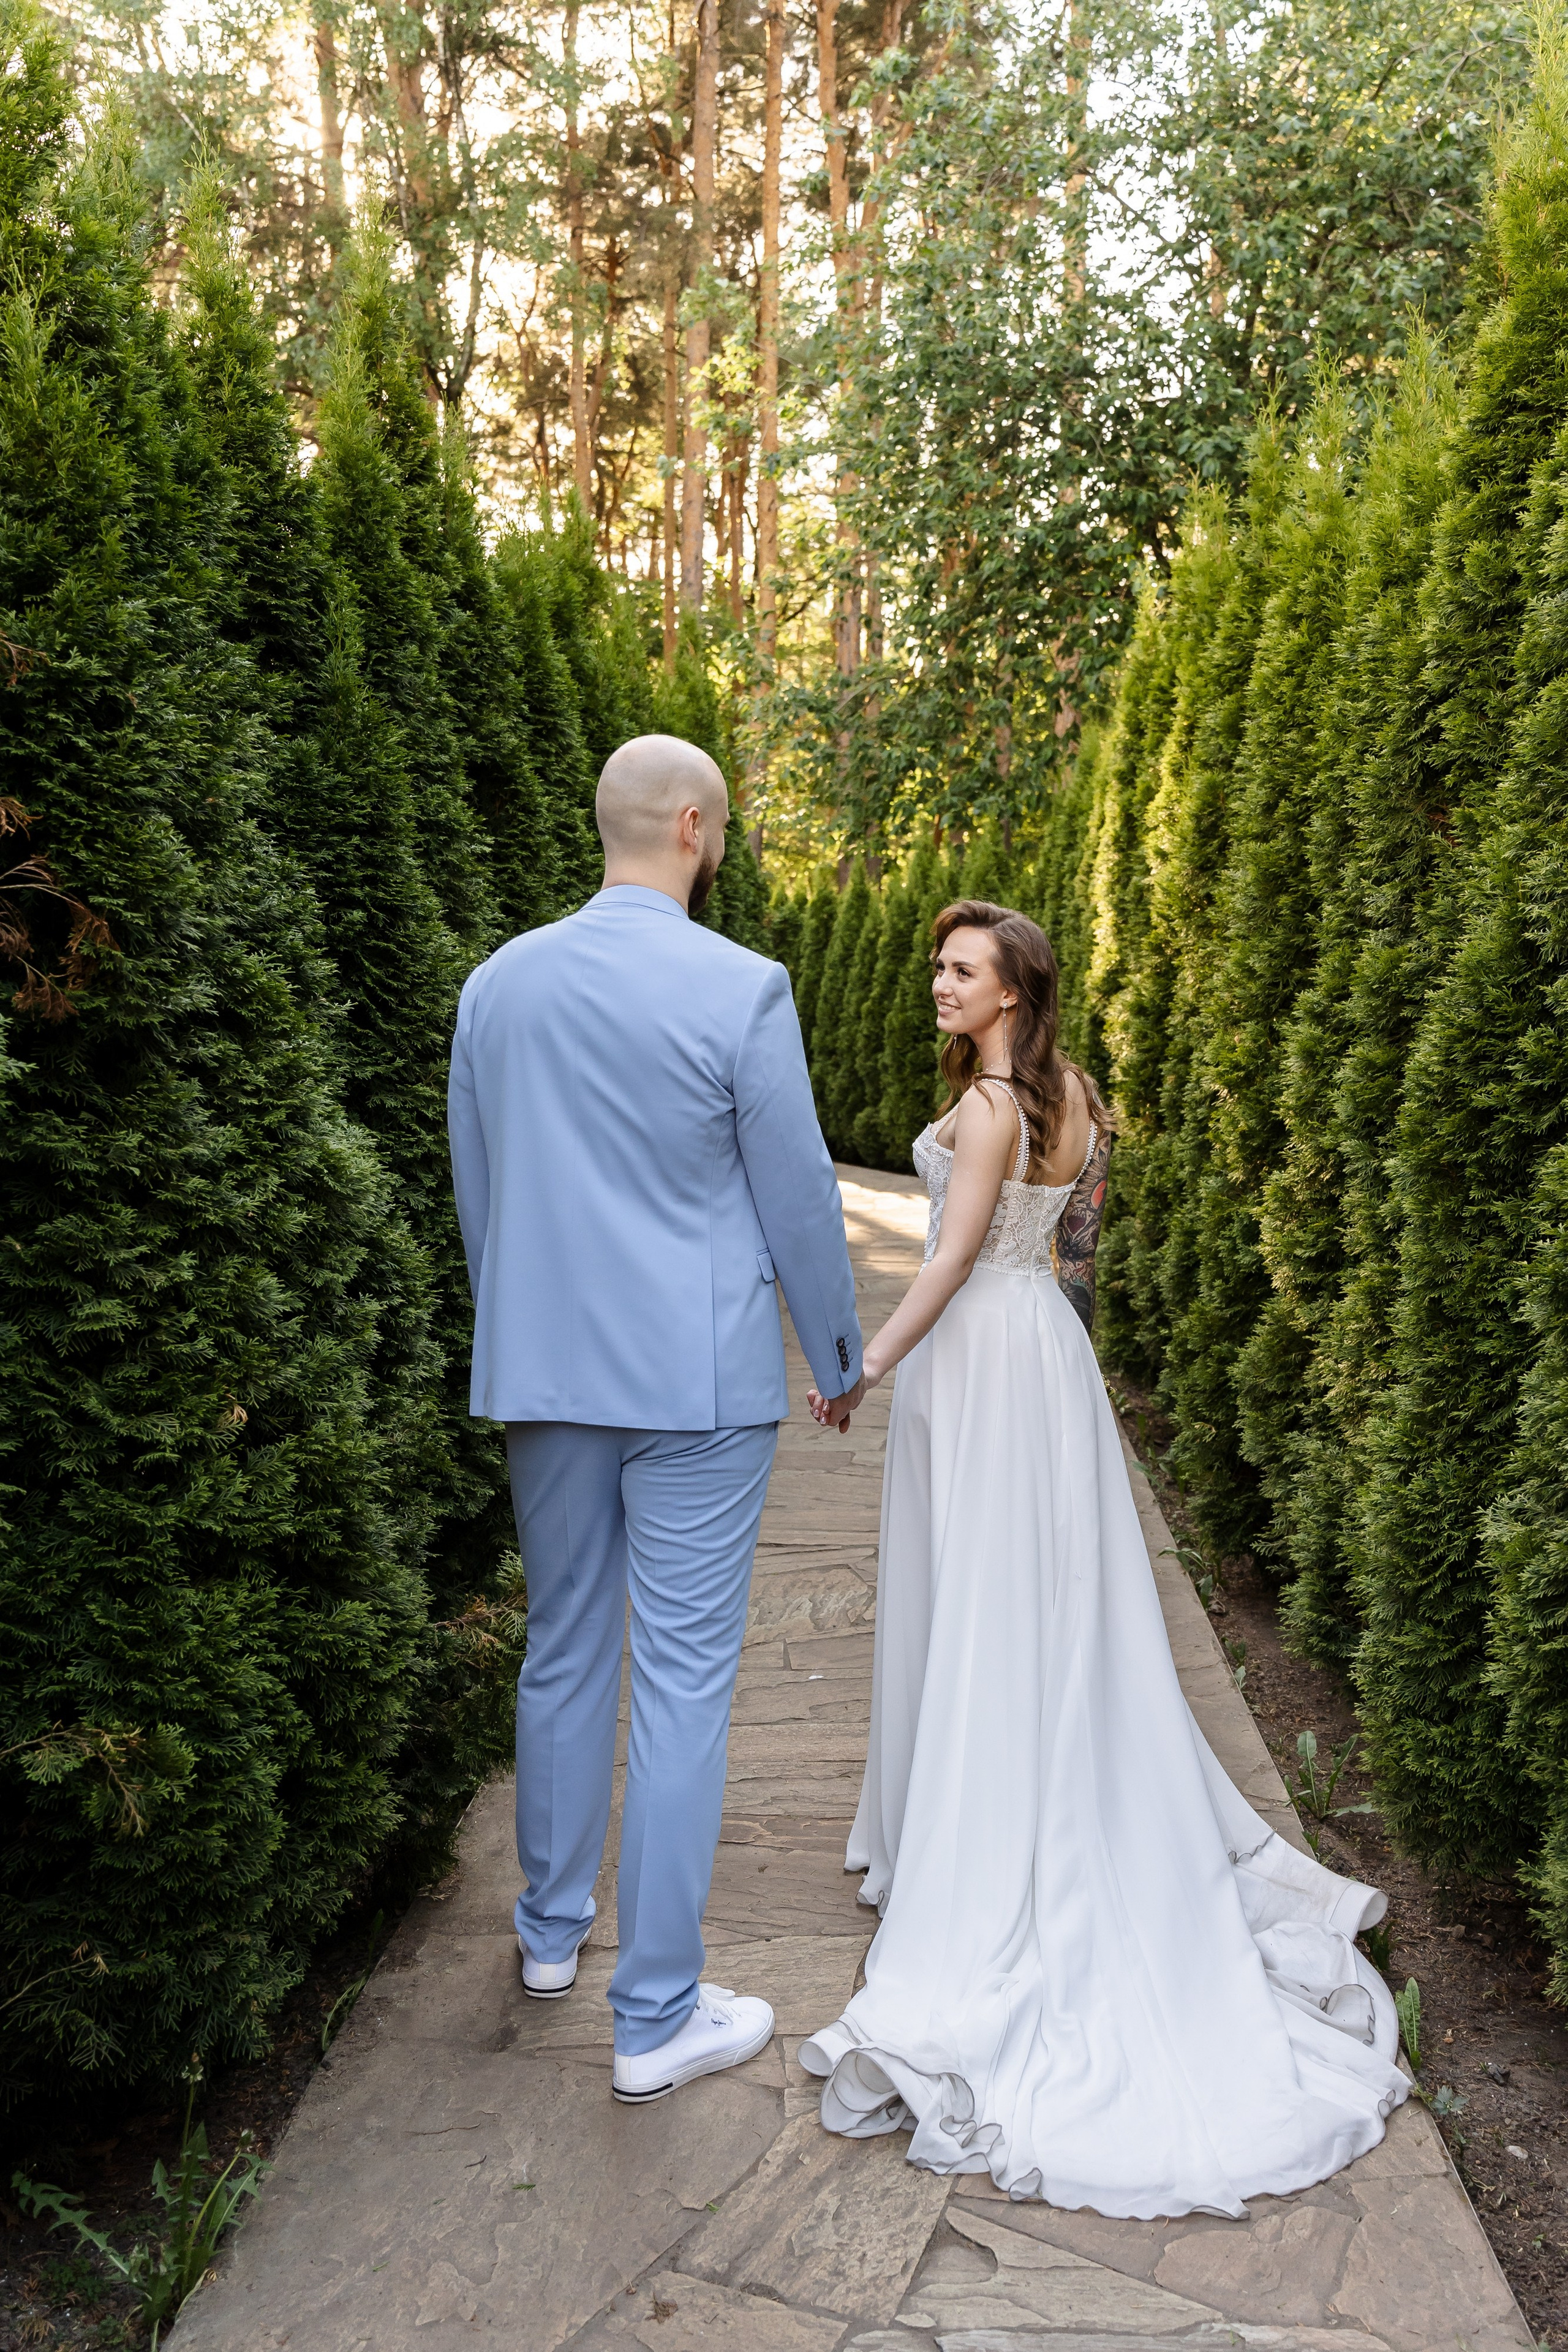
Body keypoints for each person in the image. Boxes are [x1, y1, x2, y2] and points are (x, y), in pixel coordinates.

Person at [799, 899, 1408, 2217]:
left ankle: (967, 1836)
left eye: (957, 969)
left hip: (980, 1367)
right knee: (1043, 1604)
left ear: (1010, 988)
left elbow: (953, 1256)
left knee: (980, 1600)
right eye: (937, 965)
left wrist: (861, 1366)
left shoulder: (982, 1113)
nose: (936, 983)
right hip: (1048, 1369)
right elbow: (1071, 1258)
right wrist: (1058, 1369)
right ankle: (1006, 1790)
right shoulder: (1075, 1093)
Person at [447, 735, 864, 2105]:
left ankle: (550, 1937)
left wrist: (518, 1330)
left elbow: (479, 1192)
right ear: (690, 827)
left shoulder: (496, 987)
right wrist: (838, 1351)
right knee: (682, 1682)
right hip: (694, 1380)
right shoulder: (741, 988)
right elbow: (797, 1190)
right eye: (726, 825)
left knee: (563, 1641)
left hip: (545, 1372)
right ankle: (656, 2014)